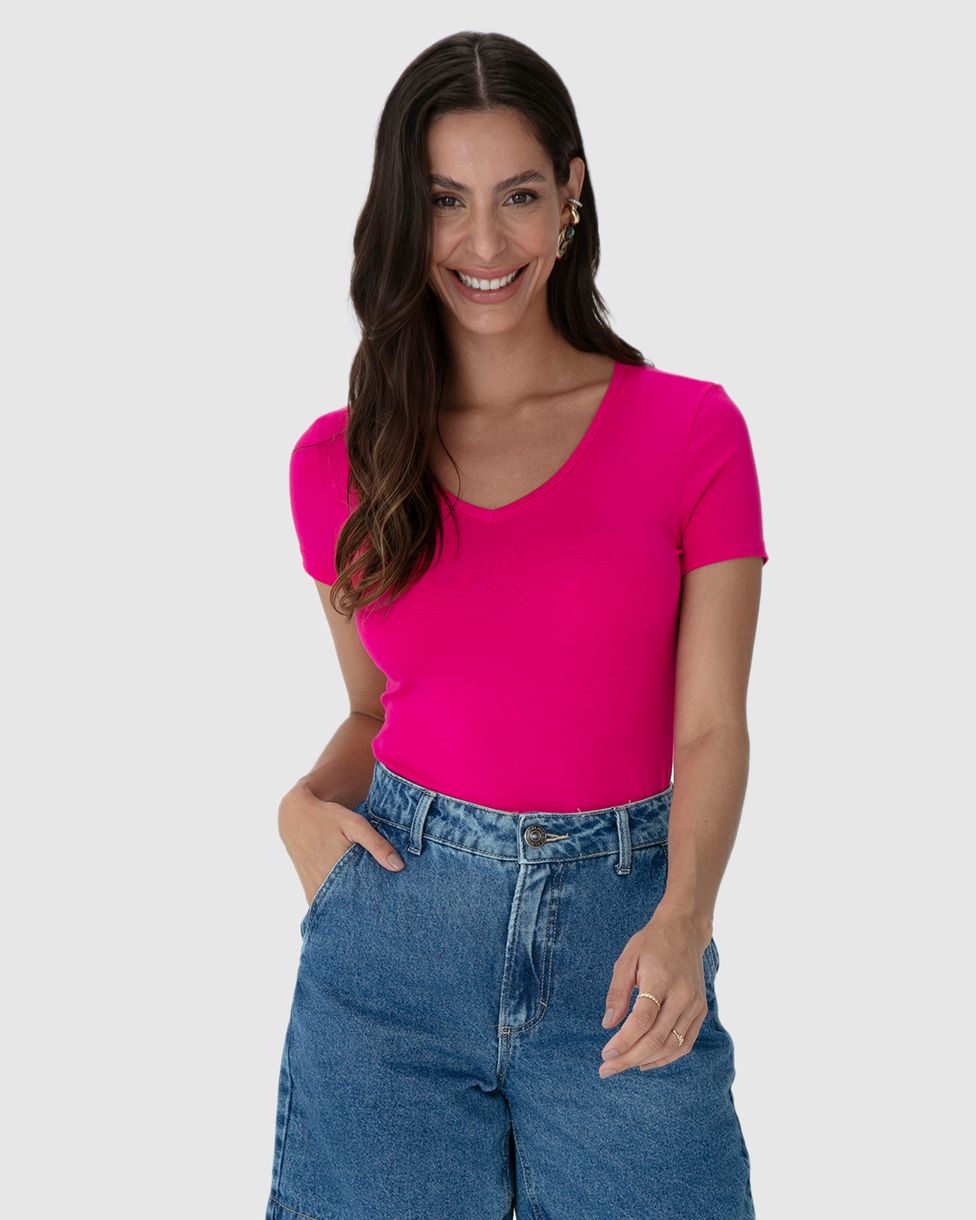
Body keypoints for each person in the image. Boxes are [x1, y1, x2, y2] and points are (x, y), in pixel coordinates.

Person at [266, 29, 767, 1220]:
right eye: (446, 200)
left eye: (519, 196)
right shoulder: (338, 462)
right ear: (404, 214)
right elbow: (374, 712)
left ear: (570, 197)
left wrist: (683, 917)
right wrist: (301, 807)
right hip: (393, 950)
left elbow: (711, 726)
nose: (484, 244)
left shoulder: (690, 434)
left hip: (625, 948)